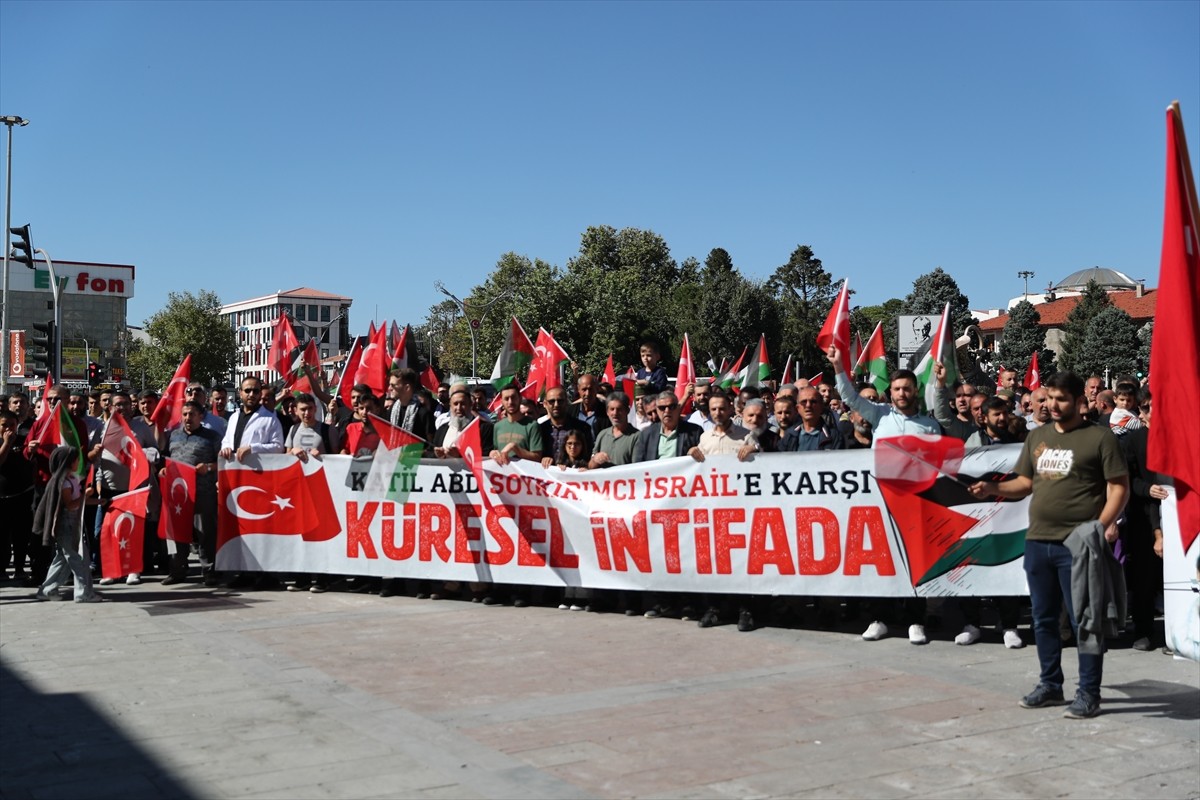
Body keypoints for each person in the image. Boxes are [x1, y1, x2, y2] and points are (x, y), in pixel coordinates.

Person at [969, 371, 1128, 719]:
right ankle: (1051, 685)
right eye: (1047, 398)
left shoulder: (1099, 438)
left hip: (1079, 546)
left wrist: (1099, 527)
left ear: (1079, 402)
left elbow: (1119, 487)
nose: (1051, 405)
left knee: (1084, 620)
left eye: (1060, 399)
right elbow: (1025, 482)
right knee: (1043, 620)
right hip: (1039, 542)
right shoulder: (1037, 437)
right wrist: (994, 489)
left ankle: (1089, 693)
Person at [829, 343, 941, 645]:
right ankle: (878, 618)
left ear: (915, 391)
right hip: (881, 502)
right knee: (882, 561)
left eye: (906, 388)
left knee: (914, 563)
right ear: (889, 393)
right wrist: (839, 368)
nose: (901, 393)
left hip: (918, 504)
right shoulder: (881, 417)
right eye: (896, 389)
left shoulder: (930, 426)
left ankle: (915, 621)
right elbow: (850, 398)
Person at [162, 401, 223, 586]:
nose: (188, 418)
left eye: (192, 414)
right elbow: (166, 459)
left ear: (200, 416)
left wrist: (210, 467)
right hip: (179, 494)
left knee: (205, 533)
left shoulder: (212, 437)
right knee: (177, 532)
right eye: (185, 414)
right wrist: (163, 470)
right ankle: (177, 570)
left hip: (203, 492)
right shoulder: (174, 435)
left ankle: (209, 571)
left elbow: (223, 462)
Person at [34, 446, 101, 603]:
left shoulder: (71, 479)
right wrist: (85, 494)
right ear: (69, 462)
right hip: (67, 525)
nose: (79, 462)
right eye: (77, 460)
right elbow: (70, 505)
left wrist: (98, 501)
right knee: (79, 559)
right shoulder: (63, 482)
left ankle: (47, 590)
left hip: (72, 524)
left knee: (63, 559)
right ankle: (83, 593)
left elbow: (78, 501)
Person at [220, 376, 285, 463]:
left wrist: (253, 448)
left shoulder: (271, 419)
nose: (251, 394)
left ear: (260, 393)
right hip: (233, 468)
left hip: (257, 471)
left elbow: (278, 447)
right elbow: (227, 440)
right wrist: (225, 448)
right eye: (247, 390)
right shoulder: (233, 417)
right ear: (240, 392)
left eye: (255, 391)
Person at [539, 386, 593, 468]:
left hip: (574, 477)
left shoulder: (582, 428)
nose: (556, 405)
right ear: (545, 404)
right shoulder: (540, 429)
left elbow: (587, 456)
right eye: (552, 401)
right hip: (547, 477)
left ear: (567, 402)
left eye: (560, 401)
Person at [588, 393, 640, 469]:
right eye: (612, 409)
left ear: (627, 411)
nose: (615, 413)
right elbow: (590, 467)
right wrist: (595, 460)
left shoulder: (637, 436)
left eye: (619, 409)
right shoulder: (602, 435)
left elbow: (637, 468)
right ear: (607, 412)